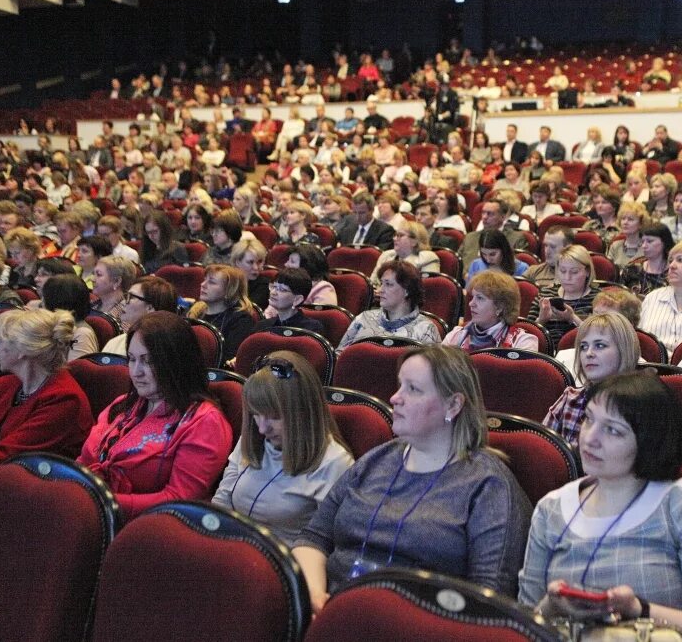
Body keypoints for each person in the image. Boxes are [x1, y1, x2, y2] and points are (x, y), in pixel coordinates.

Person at [292, 345, 532, 608]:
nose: (395, 398)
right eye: (399, 386)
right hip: (331, 611)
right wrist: (315, 598)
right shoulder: (377, 459)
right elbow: (314, 538)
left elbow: (489, 597)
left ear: (453, 404)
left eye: (413, 389)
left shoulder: (489, 485)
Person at [521, 372, 682, 642]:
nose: (590, 438)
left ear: (648, 442)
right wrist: (551, 605)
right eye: (588, 419)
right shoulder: (552, 508)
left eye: (613, 430)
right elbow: (522, 621)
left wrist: (639, 609)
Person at [78, 312, 233, 519]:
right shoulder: (124, 404)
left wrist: (100, 500)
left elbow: (180, 499)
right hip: (94, 512)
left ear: (177, 363)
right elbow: (84, 461)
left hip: (152, 529)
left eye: (148, 361)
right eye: (132, 360)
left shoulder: (204, 422)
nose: (135, 372)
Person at [213, 351, 353, 545]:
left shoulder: (335, 462)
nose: (262, 428)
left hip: (286, 564)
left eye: (274, 417)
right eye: (255, 414)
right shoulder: (253, 436)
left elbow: (326, 545)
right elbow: (222, 500)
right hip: (234, 553)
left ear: (302, 412)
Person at [0, 309, 93, 466]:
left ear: (21, 350)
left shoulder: (65, 400)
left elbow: (6, 458)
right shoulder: (2, 386)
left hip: (28, 485)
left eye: (0, 341)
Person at [543, 312, 642, 446]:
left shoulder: (642, 405)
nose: (588, 353)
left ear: (623, 350)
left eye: (600, 345)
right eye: (583, 347)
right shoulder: (570, 398)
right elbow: (545, 451)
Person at [336, 260, 441, 353]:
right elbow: (340, 359)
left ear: (407, 290)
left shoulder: (426, 329)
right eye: (381, 283)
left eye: (388, 284)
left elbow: (433, 372)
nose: (380, 290)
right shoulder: (363, 319)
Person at [443, 271, 538, 352]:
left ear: (500, 307)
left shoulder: (522, 342)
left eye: (480, 298)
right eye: (473, 297)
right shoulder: (455, 336)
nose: (471, 304)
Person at [530, 245, 599, 347]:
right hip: (546, 355)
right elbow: (526, 332)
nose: (567, 277)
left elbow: (601, 337)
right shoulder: (545, 294)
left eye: (574, 272)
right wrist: (541, 320)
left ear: (587, 271)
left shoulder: (598, 298)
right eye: (562, 271)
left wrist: (572, 318)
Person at [187, 265, 256, 365]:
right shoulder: (195, 312)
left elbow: (227, 361)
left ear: (229, 290)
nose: (203, 285)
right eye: (204, 280)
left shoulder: (241, 320)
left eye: (212, 282)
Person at [101, 277, 179, 356]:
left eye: (131, 297)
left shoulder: (169, 350)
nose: (124, 302)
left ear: (150, 307)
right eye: (126, 296)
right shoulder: (115, 343)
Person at [42, 274, 98, 360]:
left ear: (55, 301)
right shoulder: (49, 325)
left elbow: (76, 371)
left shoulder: (82, 334)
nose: (41, 302)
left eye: (44, 297)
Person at [254, 269, 326, 335]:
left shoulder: (311, 329)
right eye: (274, 287)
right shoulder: (262, 326)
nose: (273, 292)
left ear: (297, 300)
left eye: (282, 290)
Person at [371, 221, 440, 284]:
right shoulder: (386, 255)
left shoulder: (427, 258)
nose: (394, 239)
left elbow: (427, 289)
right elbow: (373, 282)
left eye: (400, 235)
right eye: (395, 235)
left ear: (415, 241)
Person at [619, 222, 675, 296]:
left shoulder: (674, 271)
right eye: (642, 241)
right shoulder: (631, 268)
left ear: (664, 242)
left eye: (649, 241)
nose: (644, 246)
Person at [90, 255, 137, 330]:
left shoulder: (126, 314)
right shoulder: (91, 305)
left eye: (99, 275)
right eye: (93, 274)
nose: (92, 279)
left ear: (117, 281)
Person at [140, 210, 189, 275]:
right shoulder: (147, 248)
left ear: (164, 229)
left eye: (155, 231)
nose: (151, 236)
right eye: (148, 232)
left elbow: (182, 276)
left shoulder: (178, 248)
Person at [606, 202, 648, 268]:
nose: (625, 222)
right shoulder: (615, 246)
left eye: (630, 219)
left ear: (640, 223)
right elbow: (608, 271)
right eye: (623, 219)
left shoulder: (647, 247)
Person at [232, 238, 270, 310]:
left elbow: (247, 311)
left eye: (259, 262)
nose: (256, 268)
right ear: (237, 262)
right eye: (250, 262)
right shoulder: (227, 281)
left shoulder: (265, 285)